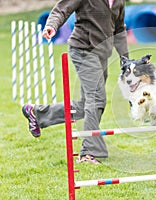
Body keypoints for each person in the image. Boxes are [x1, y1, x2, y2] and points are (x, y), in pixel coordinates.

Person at [22, 0, 129, 164]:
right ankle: (88, 153)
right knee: (96, 99)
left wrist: (125, 59)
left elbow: (119, 30)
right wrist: (52, 25)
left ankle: (37, 113)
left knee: (84, 105)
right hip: (83, 50)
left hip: (101, 54)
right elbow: (62, 9)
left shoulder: (119, 1)